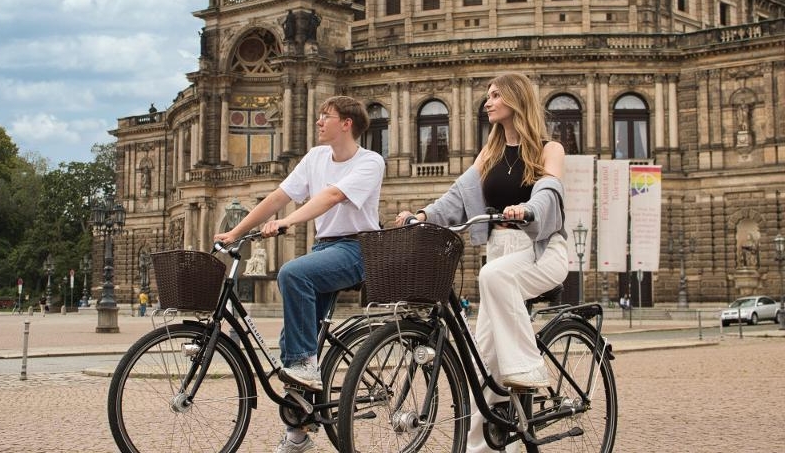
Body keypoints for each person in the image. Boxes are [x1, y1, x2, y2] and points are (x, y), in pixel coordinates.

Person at [395, 72, 567, 453]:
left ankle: (528, 368)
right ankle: (481, 448)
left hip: (541, 251)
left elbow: (549, 192)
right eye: (487, 96)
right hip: (500, 253)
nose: (487, 102)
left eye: (494, 95)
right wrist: (422, 216)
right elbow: (455, 198)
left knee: (493, 276)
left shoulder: (548, 149)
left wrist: (527, 209)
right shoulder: (487, 156)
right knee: (483, 362)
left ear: (515, 99)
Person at [213, 95, 384, 453]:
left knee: (292, 274)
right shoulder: (315, 157)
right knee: (293, 341)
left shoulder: (370, 162)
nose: (319, 122)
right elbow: (278, 196)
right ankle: (299, 434)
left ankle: (307, 364)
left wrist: (288, 221)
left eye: (326, 117)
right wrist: (234, 232)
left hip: (357, 249)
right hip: (325, 250)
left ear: (347, 123)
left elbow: (333, 196)